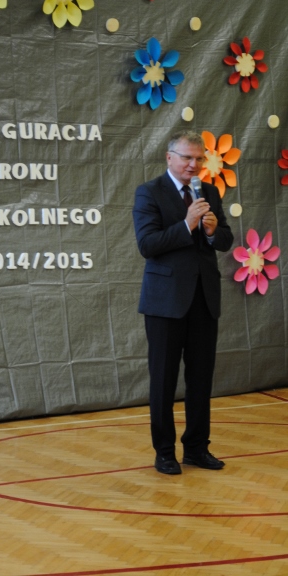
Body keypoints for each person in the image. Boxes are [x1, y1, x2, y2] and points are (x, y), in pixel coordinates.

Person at [132, 131, 233, 475]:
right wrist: (187, 224)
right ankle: (164, 452)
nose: (194, 165)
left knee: (201, 379)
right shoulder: (149, 192)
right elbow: (147, 244)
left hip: (204, 299)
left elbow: (225, 239)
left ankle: (196, 449)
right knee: (163, 380)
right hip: (165, 302)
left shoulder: (210, 192)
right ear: (169, 157)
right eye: (187, 157)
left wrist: (212, 231)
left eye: (199, 159)